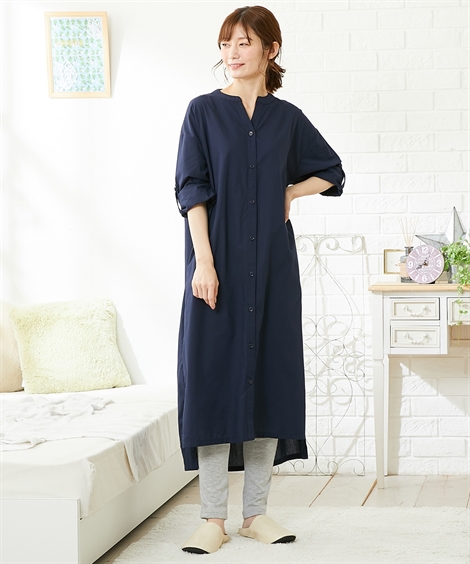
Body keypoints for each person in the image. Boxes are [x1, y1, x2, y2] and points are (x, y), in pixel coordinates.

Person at [174, 5, 345, 555]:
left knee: (269, 381)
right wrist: (203, 262)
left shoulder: (287, 119)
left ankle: (255, 514)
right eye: (226, 43)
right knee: (212, 384)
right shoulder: (202, 112)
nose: (232, 52)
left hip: (272, 269)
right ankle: (212, 518)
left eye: (244, 42)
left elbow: (332, 171)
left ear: (270, 50)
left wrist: (290, 190)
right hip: (216, 267)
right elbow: (191, 190)